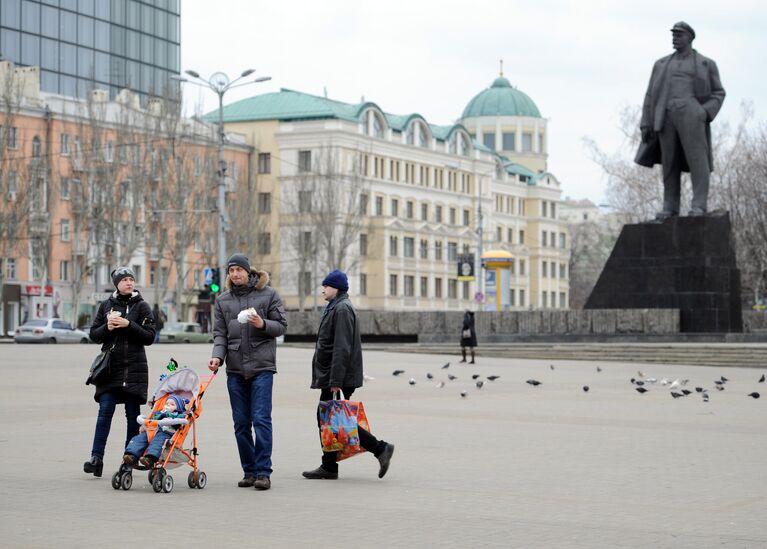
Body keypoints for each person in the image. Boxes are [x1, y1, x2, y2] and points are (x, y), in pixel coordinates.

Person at [302, 269, 395, 481]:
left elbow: (342, 347)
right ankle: (329, 466)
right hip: (335, 375)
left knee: (336, 420)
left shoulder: (342, 309)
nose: (323, 289)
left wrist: (335, 381)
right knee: (330, 419)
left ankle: (380, 449)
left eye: (326, 285)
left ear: (336, 287)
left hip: (337, 377)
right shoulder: (336, 307)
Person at [207, 254, 287, 491]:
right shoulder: (223, 301)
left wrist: (261, 323)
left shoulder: (268, 294)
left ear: (248, 271)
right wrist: (217, 356)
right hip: (234, 369)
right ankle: (249, 471)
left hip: (262, 367)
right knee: (241, 423)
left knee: (261, 420)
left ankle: (264, 472)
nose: (235, 274)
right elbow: (220, 333)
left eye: (239, 270)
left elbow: (281, 325)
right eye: (231, 271)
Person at [636, 21, 725, 219]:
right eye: (673, 35)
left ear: (690, 38)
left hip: (692, 115)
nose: (675, 38)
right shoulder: (660, 64)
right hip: (666, 117)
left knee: (698, 161)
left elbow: (719, 92)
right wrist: (646, 122)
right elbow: (650, 95)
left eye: (679, 35)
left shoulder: (705, 63)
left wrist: (704, 112)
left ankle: (699, 205)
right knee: (669, 163)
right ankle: (670, 206)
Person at [84, 267, 155, 477]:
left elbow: (150, 336)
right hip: (110, 369)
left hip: (134, 369)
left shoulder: (142, 306)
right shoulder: (106, 305)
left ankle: (128, 461)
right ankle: (96, 458)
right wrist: (108, 327)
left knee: (133, 417)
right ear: (116, 284)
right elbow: (94, 335)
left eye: (131, 279)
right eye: (124, 280)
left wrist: (128, 324)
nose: (129, 283)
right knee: (104, 412)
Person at [123, 394, 188, 468]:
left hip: (166, 433)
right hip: (153, 431)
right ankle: (132, 456)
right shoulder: (159, 413)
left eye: (172, 404)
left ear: (178, 408)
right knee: (140, 438)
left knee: (157, 442)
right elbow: (151, 421)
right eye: (167, 403)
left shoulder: (178, 415)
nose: (168, 405)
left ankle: (150, 458)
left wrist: (172, 419)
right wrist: (145, 425)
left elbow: (182, 422)